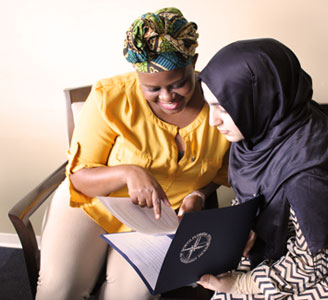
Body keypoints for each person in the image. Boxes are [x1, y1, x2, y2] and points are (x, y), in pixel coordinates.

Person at [36, 8, 229, 300]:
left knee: (132, 297)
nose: (167, 98)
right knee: (60, 291)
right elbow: (79, 178)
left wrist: (198, 195)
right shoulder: (109, 97)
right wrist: (129, 172)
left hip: (157, 222)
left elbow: (220, 169)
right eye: (152, 88)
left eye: (178, 84)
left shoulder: (222, 102)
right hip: (92, 205)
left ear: (194, 64)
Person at [197, 38, 328, 299]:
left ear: (261, 99)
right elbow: (258, 191)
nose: (213, 121)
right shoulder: (263, 126)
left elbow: (317, 262)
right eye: (209, 105)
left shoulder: (312, 168)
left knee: (234, 290)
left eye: (223, 108)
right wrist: (243, 229)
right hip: (285, 236)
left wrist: (241, 285)